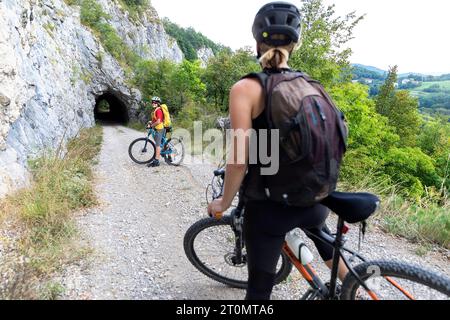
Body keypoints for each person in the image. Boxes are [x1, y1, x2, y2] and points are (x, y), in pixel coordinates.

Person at [207, 2, 349, 300]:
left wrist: (223, 202)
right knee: (321, 238)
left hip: (270, 209)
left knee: (259, 289)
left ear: (257, 42)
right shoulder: (311, 85)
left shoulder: (245, 89)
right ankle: (359, 286)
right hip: (316, 199)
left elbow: (238, 160)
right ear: (294, 45)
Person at [147, 96, 165, 167]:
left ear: (158, 103)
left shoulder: (158, 110)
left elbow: (158, 121)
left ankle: (156, 161)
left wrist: (151, 126)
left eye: (155, 102)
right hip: (158, 128)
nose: (153, 103)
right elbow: (156, 120)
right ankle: (166, 155)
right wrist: (150, 122)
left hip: (159, 129)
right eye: (152, 102)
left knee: (157, 145)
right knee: (160, 143)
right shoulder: (156, 110)